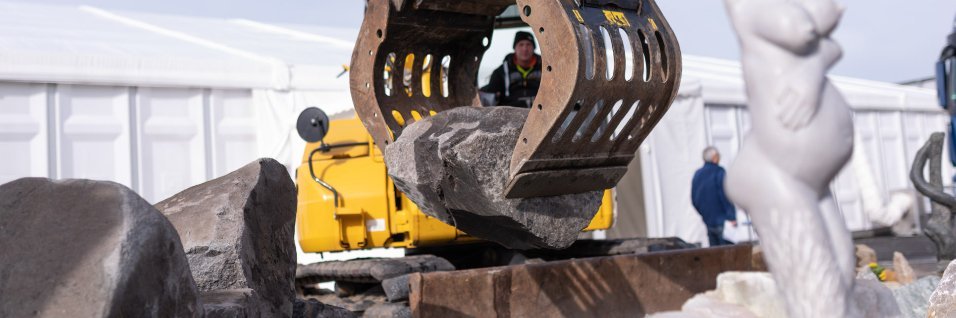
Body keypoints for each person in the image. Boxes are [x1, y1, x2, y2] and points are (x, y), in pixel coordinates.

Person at [479, 31, 542, 108]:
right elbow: (489, 98)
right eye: (521, 45)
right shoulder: (500, 72)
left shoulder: (545, 69)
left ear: (534, 48)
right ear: (515, 48)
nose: (525, 49)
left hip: (541, 112)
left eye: (528, 45)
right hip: (510, 116)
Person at [691, 146, 737, 247]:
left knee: (714, 251)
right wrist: (731, 216)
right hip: (722, 220)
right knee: (727, 251)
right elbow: (725, 195)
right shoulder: (719, 172)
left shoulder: (697, 174)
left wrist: (704, 214)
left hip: (708, 220)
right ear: (714, 157)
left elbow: (694, 199)